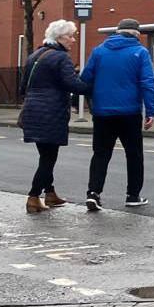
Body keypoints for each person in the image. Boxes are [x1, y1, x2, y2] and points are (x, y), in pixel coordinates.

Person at [82, 18, 154, 210]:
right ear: (136, 34)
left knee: (100, 154)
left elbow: (85, 79)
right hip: (129, 112)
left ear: (117, 32)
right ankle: (132, 195)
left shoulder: (98, 51)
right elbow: (147, 83)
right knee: (134, 155)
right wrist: (151, 111)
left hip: (102, 113)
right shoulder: (140, 52)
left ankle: (93, 193)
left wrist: (93, 99)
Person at [19, 20, 89, 214]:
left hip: (33, 111)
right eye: (70, 36)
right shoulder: (61, 58)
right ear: (59, 38)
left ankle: (50, 193)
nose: (73, 40)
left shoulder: (34, 56)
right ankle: (33, 197)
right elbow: (73, 85)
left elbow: (22, 87)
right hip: (52, 112)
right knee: (49, 158)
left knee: (45, 154)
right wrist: (91, 85)